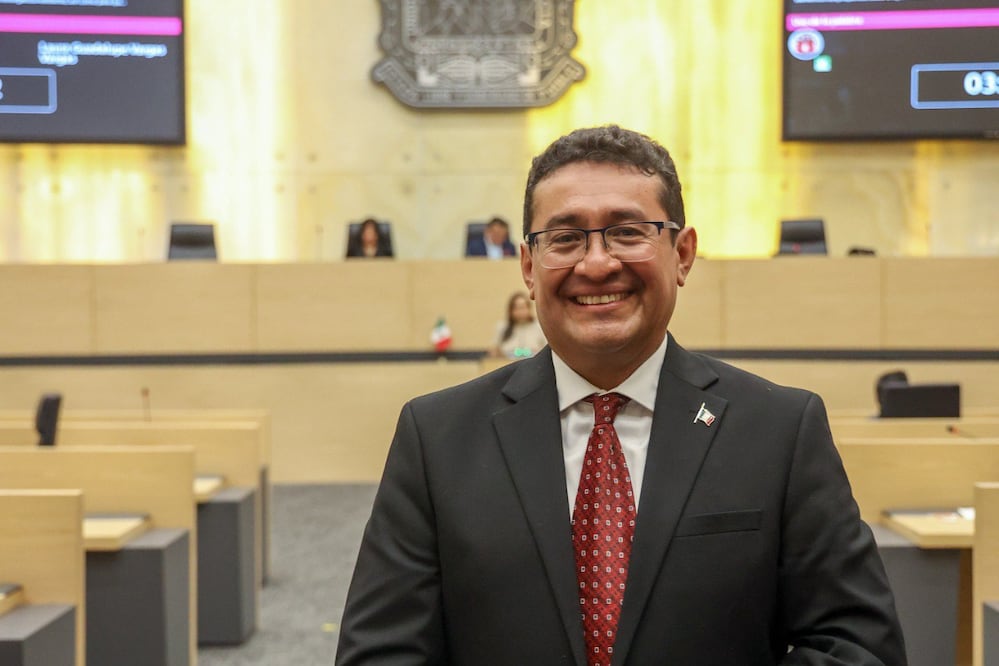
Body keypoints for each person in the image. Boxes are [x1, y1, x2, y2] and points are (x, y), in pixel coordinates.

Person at [336, 125, 906, 665]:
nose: (598, 262)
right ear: (530, 266)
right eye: (565, 238)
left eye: (628, 232)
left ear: (682, 254)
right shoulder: (436, 439)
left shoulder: (781, 429)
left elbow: (855, 644)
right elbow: (382, 653)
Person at [489, 291, 547, 359]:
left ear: (529, 308)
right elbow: (494, 350)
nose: (520, 311)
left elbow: (545, 349)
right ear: (511, 310)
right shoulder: (502, 327)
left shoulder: (539, 326)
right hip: (508, 364)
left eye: (523, 307)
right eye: (517, 308)